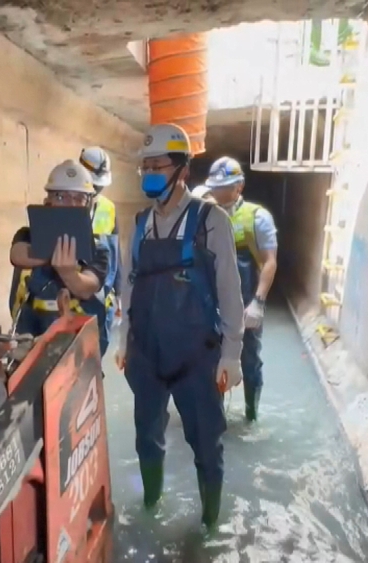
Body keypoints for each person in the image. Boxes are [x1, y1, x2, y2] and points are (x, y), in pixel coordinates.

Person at [112, 123, 245, 531]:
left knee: (206, 445)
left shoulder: (210, 220)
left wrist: (232, 354)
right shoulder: (140, 223)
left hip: (196, 357)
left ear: (183, 170)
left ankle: (208, 525)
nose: (150, 173)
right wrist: (124, 339)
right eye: (146, 166)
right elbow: (129, 285)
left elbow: (230, 292)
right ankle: (151, 504)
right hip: (147, 354)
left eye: (159, 165)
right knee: (146, 439)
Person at [8, 160, 116, 355]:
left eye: (79, 198)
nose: (71, 204)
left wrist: (69, 274)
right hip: (30, 335)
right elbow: (17, 254)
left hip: (77, 343)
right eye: (61, 196)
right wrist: (51, 251)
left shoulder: (98, 248)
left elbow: (88, 287)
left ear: (88, 205)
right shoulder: (28, 235)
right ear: (47, 202)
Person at [204, 156, 279, 422]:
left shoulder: (257, 217)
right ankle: (214, 417)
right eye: (214, 187)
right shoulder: (204, 214)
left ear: (239, 187)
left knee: (249, 359)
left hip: (246, 302)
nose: (217, 192)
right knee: (209, 358)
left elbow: (269, 262)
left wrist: (258, 302)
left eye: (224, 187)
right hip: (211, 302)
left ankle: (251, 414)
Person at [79, 146, 122, 329]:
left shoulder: (109, 208)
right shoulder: (66, 203)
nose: (97, 189)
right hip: (74, 295)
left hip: (102, 298)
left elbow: (116, 254)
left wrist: (119, 293)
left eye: (99, 185)